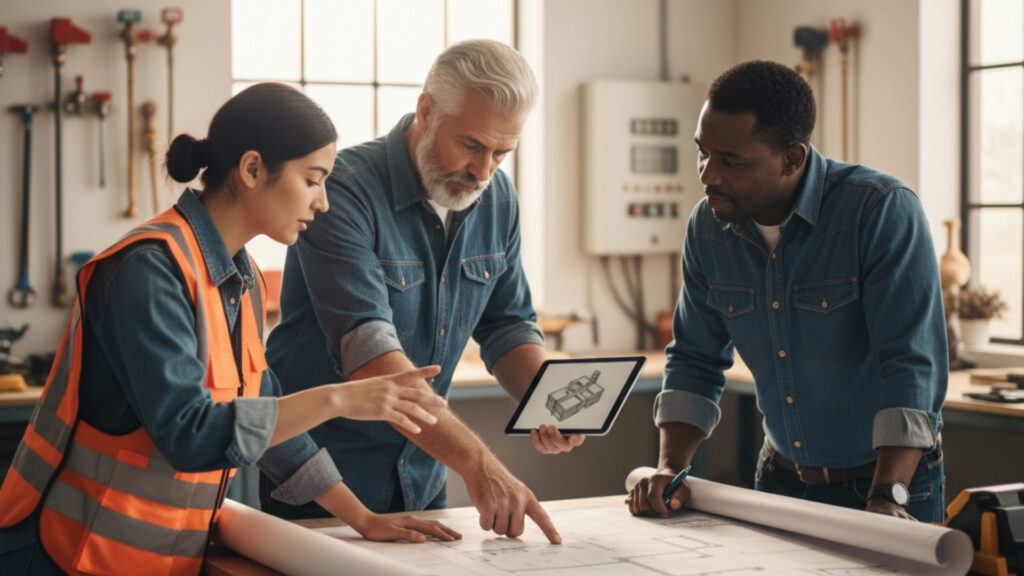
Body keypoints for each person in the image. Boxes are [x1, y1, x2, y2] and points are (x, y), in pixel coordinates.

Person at [0, 83, 460, 576]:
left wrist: (363, 518)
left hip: (140, 560)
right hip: (57, 552)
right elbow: (190, 433)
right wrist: (341, 398)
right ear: (252, 169)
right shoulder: (149, 271)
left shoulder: (239, 279)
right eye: (312, 180)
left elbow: (272, 428)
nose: (323, 202)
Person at [262, 40, 575, 543]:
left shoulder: (495, 195)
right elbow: (369, 355)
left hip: (424, 479)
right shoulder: (341, 191)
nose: (483, 170)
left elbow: (508, 324)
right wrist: (478, 464)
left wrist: (550, 400)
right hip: (322, 485)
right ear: (426, 111)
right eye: (472, 145)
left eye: (503, 152)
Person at [626, 61, 947, 523]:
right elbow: (695, 358)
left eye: (730, 160)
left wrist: (888, 495)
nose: (707, 174)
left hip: (888, 483)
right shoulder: (707, 229)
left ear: (792, 159)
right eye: (702, 152)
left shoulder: (879, 212)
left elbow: (911, 365)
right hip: (780, 481)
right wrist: (670, 468)